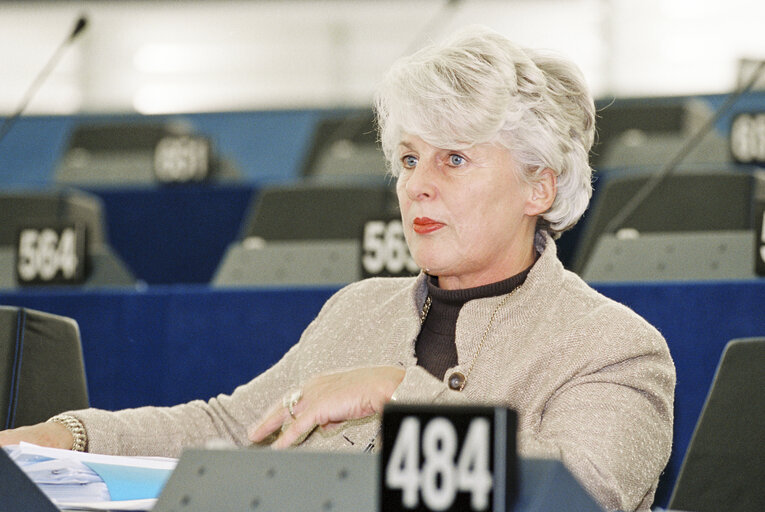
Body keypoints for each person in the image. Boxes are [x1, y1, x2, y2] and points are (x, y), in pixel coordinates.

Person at [0, 25, 674, 512]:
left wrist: (397, 391)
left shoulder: (614, 348)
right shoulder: (359, 310)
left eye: (454, 159)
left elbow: (587, 494)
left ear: (539, 188)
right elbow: (233, 430)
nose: (418, 186)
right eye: (409, 159)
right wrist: (67, 437)